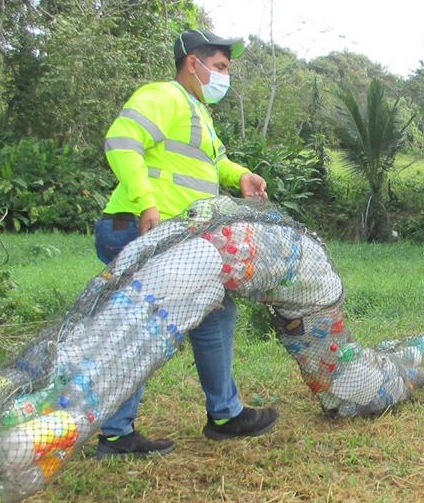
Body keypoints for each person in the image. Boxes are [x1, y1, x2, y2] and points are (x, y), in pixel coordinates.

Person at [92, 29, 277, 459]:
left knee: (216, 310)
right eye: (220, 67)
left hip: (181, 235)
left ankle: (226, 415)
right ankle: (117, 434)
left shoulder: (197, 112)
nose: (224, 77)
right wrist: (146, 203)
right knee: (144, 324)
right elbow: (122, 142)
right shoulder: (164, 96)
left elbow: (212, 164)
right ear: (193, 63)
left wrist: (240, 176)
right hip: (141, 229)